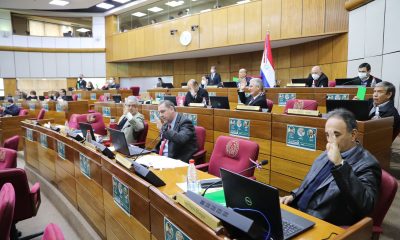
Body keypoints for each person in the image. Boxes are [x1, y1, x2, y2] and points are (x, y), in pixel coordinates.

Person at [280, 109, 381, 226]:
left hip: (321, 222)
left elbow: (365, 205)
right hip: (299, 212)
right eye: (328, 135)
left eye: (336, 135)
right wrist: (293, 196)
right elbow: (313, 184)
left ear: (353, 135)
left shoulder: (367, 164)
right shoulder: (326, 153)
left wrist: (340, 164)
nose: (330, 141)